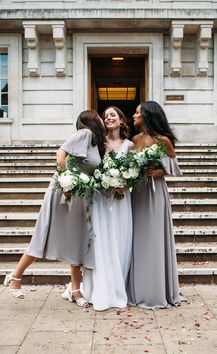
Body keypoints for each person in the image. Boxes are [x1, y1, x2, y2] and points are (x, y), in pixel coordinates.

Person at [4, 110, 106, 306]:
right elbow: (61, 154)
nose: (102, 119)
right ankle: (15, 278)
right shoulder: (84, 134)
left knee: (78, 239)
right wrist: (65, 181)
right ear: (91, 121)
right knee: (45, 234)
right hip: (63, 191)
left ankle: (76, 291)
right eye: (99, 116)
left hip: (79, 195)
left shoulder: (94, 143)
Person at [126, 101, 182, 309]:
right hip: (139, 191)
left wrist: (160, 171)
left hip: (156, 192)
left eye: (138, 112)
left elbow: (174, 168)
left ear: (148, 115)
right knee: (138, 238)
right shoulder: (134, 140)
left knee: (155, 238)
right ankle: (138, 287)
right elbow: (130, 166)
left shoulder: (163, 140)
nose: (134, 114)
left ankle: (157, 290)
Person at [82, 106, 134, 311]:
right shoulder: (98, 144)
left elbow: (135, 172)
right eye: (105, 116)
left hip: (121, 200)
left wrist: (125, 183)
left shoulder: (129, 145)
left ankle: (117, 285)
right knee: (101, 242)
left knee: (119, 240)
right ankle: (98, 287)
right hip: (100, 200)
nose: (109, 118)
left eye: (113, 115)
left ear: (121, 120)